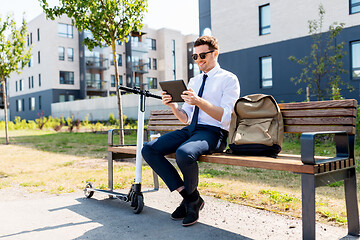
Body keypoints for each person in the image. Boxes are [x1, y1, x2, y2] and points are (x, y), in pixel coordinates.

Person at [141, 36, 240, 227]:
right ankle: (191, 198)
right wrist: (172, 105)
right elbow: (185, 117)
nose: (199, 60)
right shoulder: (194, 80)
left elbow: (227, 116)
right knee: (149, 149)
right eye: (195, 56)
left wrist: (199, 101)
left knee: (184, 153)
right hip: (191, 130)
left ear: (215, 54)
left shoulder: (229, 79)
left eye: (203, 55)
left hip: (214, 132)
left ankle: (190, 203)